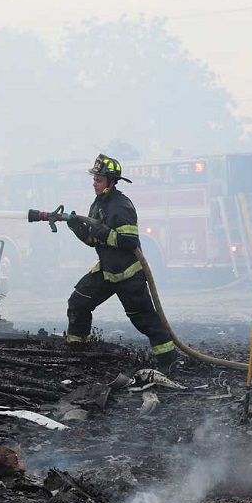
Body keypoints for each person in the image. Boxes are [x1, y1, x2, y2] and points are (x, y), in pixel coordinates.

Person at [64, 154, 180, 370]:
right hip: (107, 271)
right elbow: (93, 241)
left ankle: (168, 361)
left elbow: (129, 241)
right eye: (94, 180)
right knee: (78, 303)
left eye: (98, 180)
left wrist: (102, 230)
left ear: (111, 181)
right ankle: (77, 354)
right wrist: (78, 228)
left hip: (128, 275)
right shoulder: (97, 204)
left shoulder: (121, 206)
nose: (94, 184)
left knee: (145, 321)